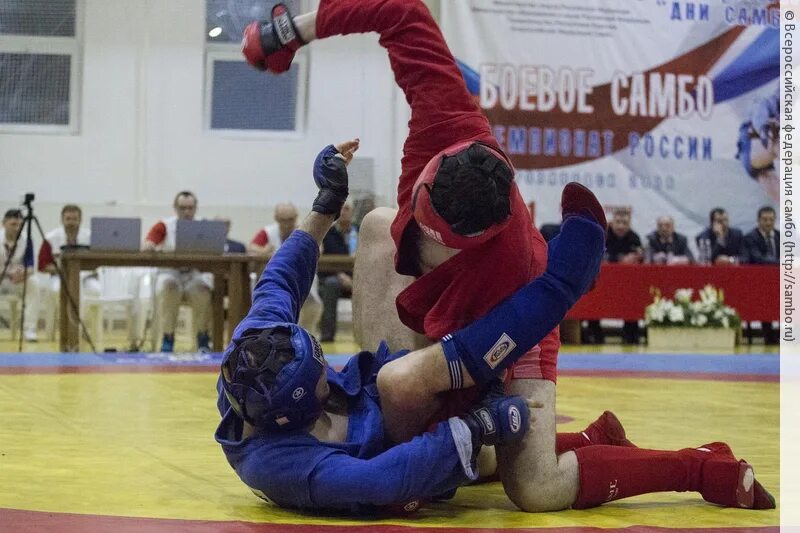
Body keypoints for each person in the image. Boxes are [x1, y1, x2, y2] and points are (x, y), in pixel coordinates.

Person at [242, 2, 775, 514]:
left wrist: (464, 426)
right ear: (435, 170)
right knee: (382, 227)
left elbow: (473, 356)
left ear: (465, 242)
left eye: (433, 239)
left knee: (534, 486)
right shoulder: (447, 117)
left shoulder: (512, 268)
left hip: (514, 322)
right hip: (456, 308)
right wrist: (291, 32)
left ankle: (694, 466)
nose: (420, 230)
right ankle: (577, 440)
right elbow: (398, 8)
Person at [217, 141, 643, 513]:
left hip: (384, 410)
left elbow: (279, 279)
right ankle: (562, 285)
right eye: (321, 383)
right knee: (513, 471)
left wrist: (325, 205)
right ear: (294, 418)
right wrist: (478, 426)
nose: (330, 372)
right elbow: (386, 480)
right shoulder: (283, 466)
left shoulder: (257, 347)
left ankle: (585, 431)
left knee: (380, 227)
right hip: (408, 467)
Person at [144, 191, 212, 352]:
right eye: (182, 208)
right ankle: (168, 337)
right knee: (169, 287)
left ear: (195, 208)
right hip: (170, 272)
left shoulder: (205, 226)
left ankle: (202, 337)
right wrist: (150, 245)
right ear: (175, 208)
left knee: (203, 290)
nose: (187, 212)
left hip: (194, 274)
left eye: (190, 208)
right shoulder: (164, 225)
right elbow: (148, 242)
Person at [248, 202, 322, 334]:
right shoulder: (268, 232)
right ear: (276, 218)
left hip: (301, 280)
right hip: (274, 282)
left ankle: (307, 337)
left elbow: (319, 247)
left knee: (313, 305)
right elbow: (251, 247)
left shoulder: (304, 230)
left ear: (296, 217)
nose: (287, 224)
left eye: (290, 220)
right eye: (283, 220)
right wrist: (264, 251)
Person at [585, 208, 642, 345]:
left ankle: (630, 333)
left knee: (631, 299)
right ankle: (594, 332)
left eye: (624, 223)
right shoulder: (603, 234)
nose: (621, 226)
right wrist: (619, 258)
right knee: (595, 301)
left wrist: (636, 257)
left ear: (629, 223)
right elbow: (596, 254)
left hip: (626, 283)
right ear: (612, 222)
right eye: (618, 222)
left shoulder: (634, 237)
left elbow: (638, 257)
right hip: (601, 280)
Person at [318, 202, 357, 342]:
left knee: (373, 285)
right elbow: (321, 260)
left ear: (352, 212)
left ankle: (368, 337)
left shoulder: (360, 232)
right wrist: (339, 275)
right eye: (340, 208)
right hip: (332, 277)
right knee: (331, 284)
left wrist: (355, 279)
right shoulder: (326, 233)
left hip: (358, 278)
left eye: (346, 208)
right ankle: (327, 336)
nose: (343, 211)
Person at [743, 206, 780, 344]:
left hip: (780, 280)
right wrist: (781, 263)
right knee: (764, 297)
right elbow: (757, 258)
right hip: (758, 282)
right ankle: (769, 335)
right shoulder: (750, 238)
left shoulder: (780, 236)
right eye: (765, 220)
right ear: (758, 221)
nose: (768, 223)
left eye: (771, 219)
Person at [0, 209, 39, 341]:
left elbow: (31, 266)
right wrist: (7, 273)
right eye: (13, 224)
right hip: (2, 277)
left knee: (34, 284)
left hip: (17, 280)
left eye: (19, 225)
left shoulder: (27, 240)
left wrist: (24, 273)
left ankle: (29, 329)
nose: (17, 228)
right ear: (3, 223)